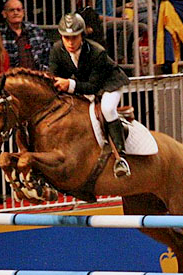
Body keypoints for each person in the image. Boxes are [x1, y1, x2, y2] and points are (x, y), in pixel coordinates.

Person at [49, 13, 131, 178]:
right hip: (85, 84)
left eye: (74, 37)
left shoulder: (96, 52)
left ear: (82, 35)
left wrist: (69, 84)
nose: (70, 42)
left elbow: (94, 87)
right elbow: (53, 77)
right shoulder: (57, 49)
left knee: (107, 109)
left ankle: (121, 156)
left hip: (109, 84)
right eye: (66, 37)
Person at [0, 0, 51, 71]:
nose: (16, 13)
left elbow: (48, 55)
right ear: (4, 14)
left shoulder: (36, 30)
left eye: (18, 10)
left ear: (23, 13)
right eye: (12, 10)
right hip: (10, 79)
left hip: (37, 78)